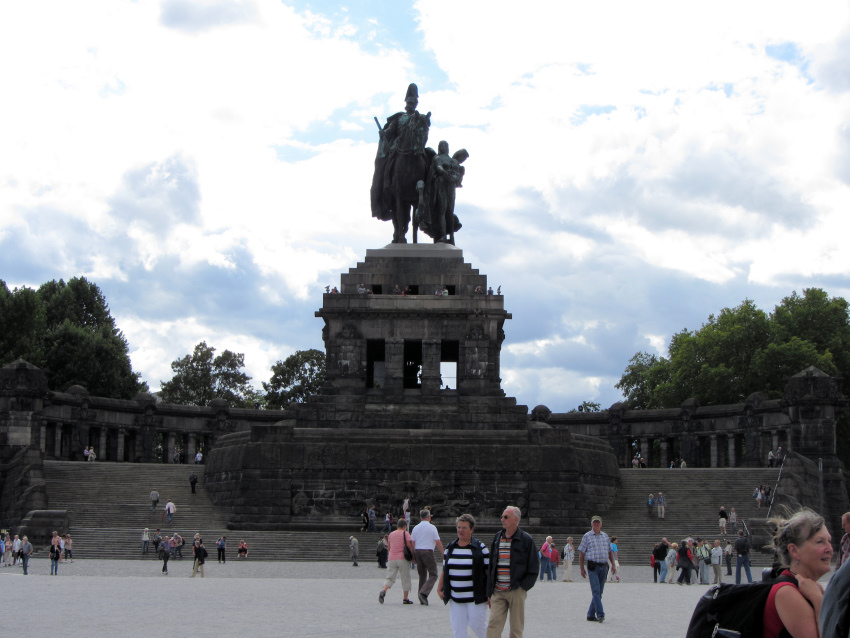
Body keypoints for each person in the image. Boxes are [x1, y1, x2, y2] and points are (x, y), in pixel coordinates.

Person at [764, 509, 830, 638]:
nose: (829, 549)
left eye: (829, 541)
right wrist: (818, 600)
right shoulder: (786, 592)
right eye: (820, 541)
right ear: (794, 551)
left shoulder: (809, 587)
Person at [486, 505, 538, 637]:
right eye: (502, 517)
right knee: (493, 625)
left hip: (516, 590)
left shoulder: (526, 539)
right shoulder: (497, 537)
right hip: (498, 591)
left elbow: (533, 566)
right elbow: (492, 565)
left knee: (516, 628)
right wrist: (489, 590)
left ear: (516, 519)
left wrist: (522, 588)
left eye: (505, 517)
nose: (502, 519)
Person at [438, 514, 490, 638]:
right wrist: (439, 587)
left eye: (464, 527)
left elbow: (488, 572)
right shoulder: (450, 548)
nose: (460, 530)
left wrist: (489, 594)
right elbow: (445, 569)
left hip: (475, 597)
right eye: (459, 527)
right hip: (456, 597)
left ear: (471, 529)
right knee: (458, 629)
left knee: (477, 625)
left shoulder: (481, 548)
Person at [578, 515, 617, 622]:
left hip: (603, 566)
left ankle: (590, 614)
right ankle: (600, 614)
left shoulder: (605, 536)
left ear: (601, 524)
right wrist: (581, 568)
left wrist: (613, 565)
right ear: (591, 524)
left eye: (598, 522)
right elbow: (581, 553)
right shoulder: (587, 536)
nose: (596, 524)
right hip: (592, 567)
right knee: (596, 590)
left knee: (599, 592)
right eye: (594, 522)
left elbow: (610, 552)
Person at [378, 519, 416, 605]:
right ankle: (405, 599)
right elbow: (410, 546)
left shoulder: (391, 534)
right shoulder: (405, 533)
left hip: (392, 558)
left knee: (390, 577)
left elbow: (389, 547)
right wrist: (413, 557)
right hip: (402, 558)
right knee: (405, 578)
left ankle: (383, 591)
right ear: (405, 526)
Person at [410, 509, 444, 604]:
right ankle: (423, 593)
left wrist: (413, 555)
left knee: (422, 575)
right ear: (428, 517)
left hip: (418, 552)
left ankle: (421, 596)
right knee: (433, 574)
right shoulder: (432, 527)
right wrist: (443, 553)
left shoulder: (415, 528)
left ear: (420, 517)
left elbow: (412, 543)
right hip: (427, 552)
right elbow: (437, 541)